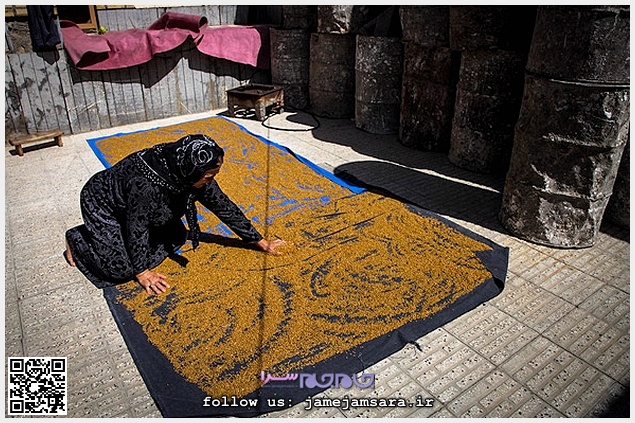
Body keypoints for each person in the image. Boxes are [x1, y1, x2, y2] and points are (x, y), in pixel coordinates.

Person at [64, 133, 286, 295]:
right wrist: (142, 272)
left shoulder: (189, 167)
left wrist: (260, 241)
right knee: (120, 270)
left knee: (178, 236)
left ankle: (111, 238)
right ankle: (78, 238)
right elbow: (137, 227)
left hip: (136, 208)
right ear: (191, 171)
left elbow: (223, 205)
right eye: (210, 176)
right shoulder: (146, 185)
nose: (212, 180)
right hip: (103, 204)